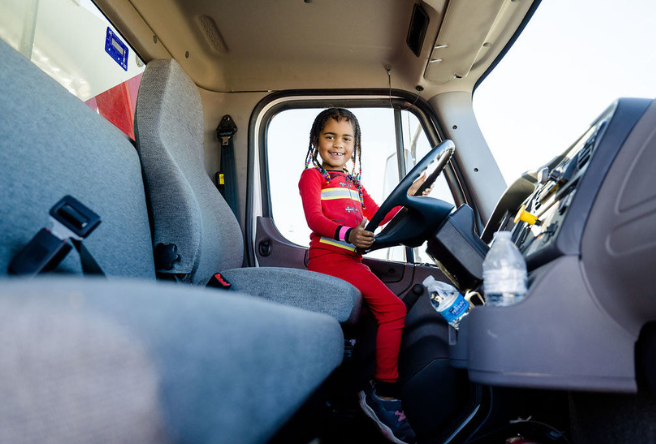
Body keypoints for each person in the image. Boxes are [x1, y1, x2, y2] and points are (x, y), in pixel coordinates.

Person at [298, 108, 430, 444]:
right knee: (394, 310)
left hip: (351, 261)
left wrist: (413, 198)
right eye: (330, 136)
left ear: (355, 146)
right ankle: (384, 395)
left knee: (387, 311)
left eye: (346, 138)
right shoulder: (313, 177)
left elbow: (382, 214)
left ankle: (374, 386)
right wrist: (348, 234)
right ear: (317, 141)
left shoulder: (354, 183)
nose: (337, 144)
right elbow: (315, 219)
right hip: (329, 260)